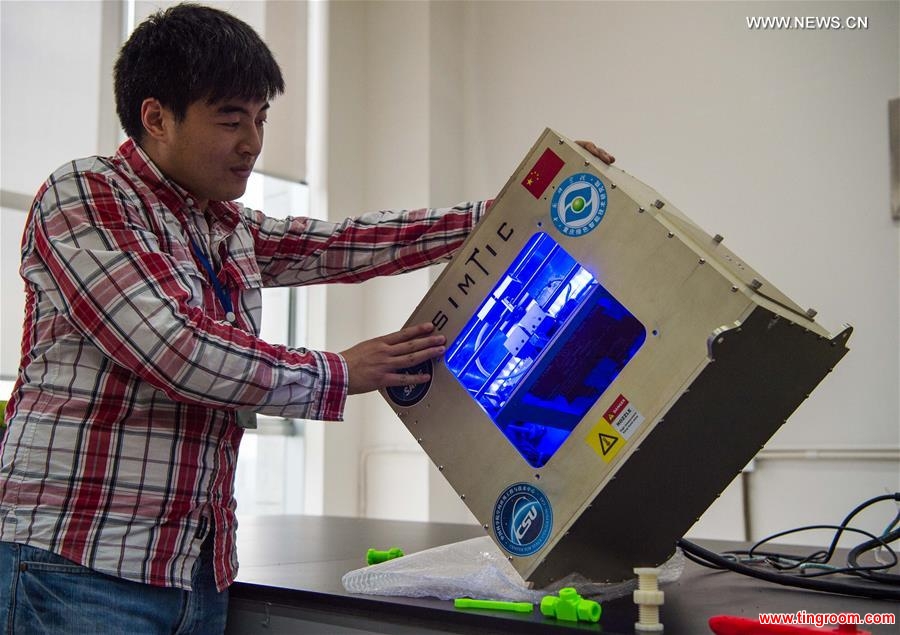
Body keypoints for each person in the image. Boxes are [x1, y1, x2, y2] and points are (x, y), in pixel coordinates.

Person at [0, 4, 614, 633]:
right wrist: (342, 370)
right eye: (230, 119)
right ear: (156, 117)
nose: (253, 143)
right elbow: (176, 349)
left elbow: (342, 244)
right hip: (79, 565)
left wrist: (509, 209)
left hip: (191, 569)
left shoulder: (221, 223)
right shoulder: (85, 195)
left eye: (261, 119)